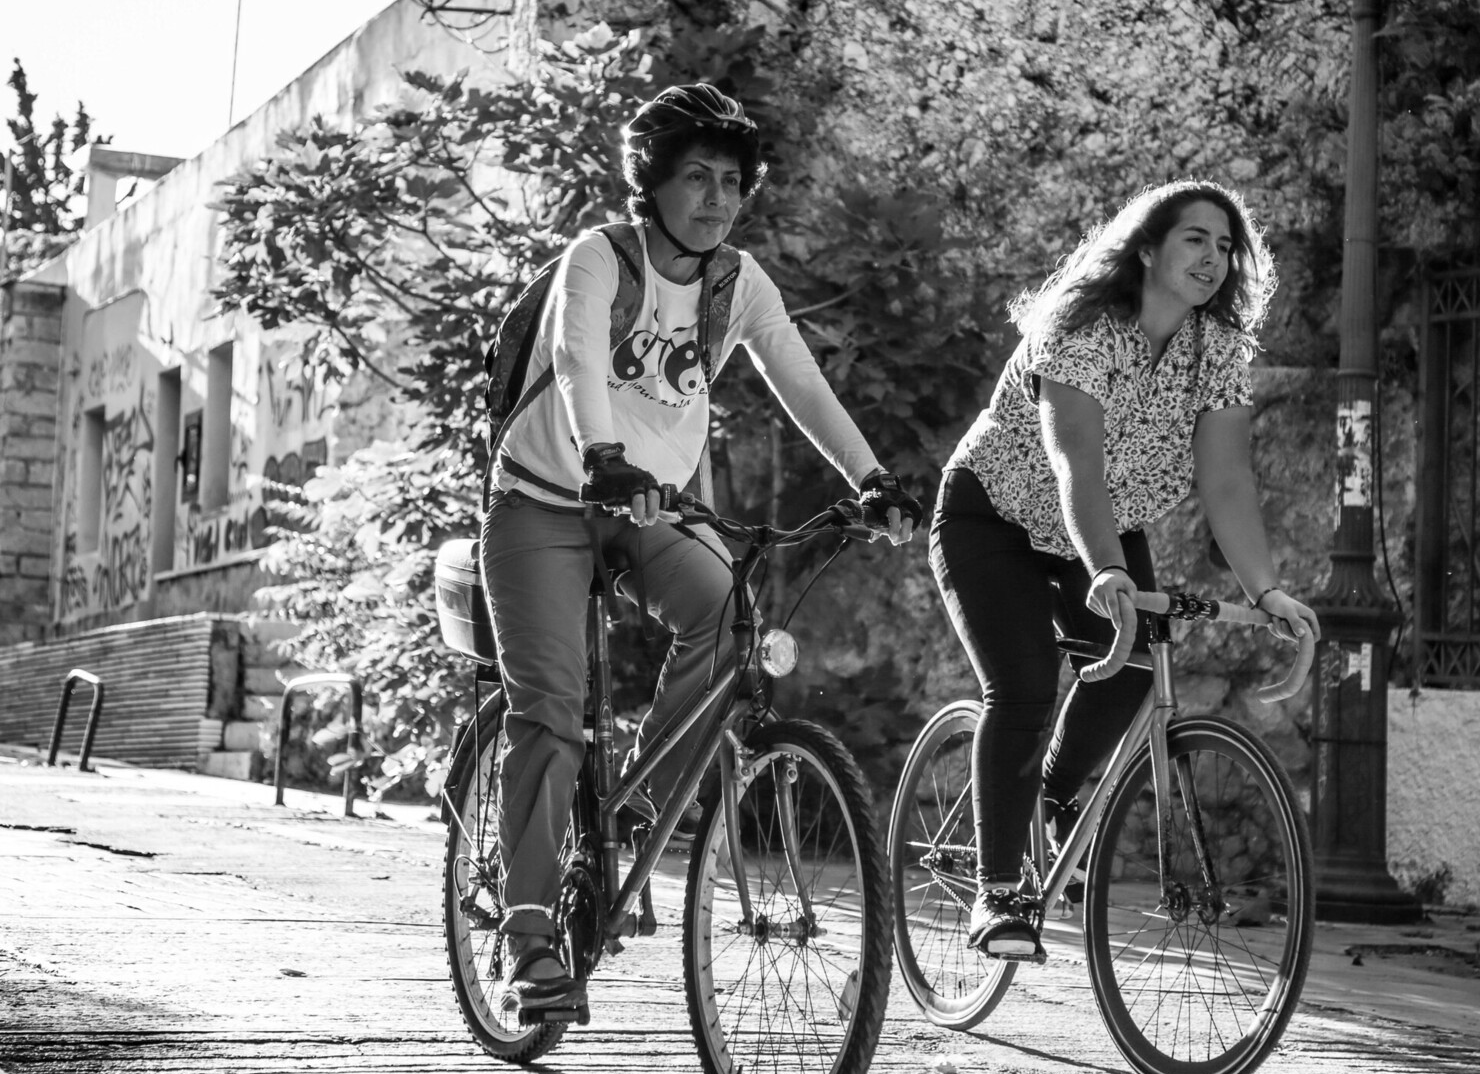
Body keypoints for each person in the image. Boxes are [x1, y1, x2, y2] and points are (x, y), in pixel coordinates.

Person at [481, 83, 923, 1015]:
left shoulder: (738, 282)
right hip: (543, 502)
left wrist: (871, 479)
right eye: (696, 177)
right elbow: (576, 362)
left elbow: (801, 381)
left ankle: (638, 801)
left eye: (732, 181)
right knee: (550, 710)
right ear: (652, 183)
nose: (718, 198)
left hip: (651, 508)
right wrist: (603, 458)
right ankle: (527, 938)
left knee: (729, 618)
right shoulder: (601, 257)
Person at [927, 179, 1321, 960]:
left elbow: (1227, 480)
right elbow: (1076, 461)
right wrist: (1107, 569)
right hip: (994, 516)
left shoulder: (1217, 350)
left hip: (1105, 525)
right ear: (1146, 249)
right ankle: (997, 892)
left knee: (1139, 663)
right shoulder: (1082, 325)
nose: (1213, 258)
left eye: (1225, 246)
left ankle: (1047, 794)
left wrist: (1267, 590)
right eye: (1195, 239)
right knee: (1025, 686)